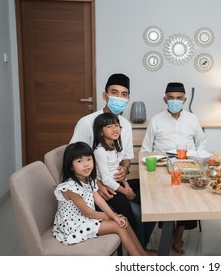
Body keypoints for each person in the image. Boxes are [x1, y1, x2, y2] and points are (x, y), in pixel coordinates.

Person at [70, 73, 154, 248]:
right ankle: (138, 251)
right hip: (93, 187)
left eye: (124, 94)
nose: (119, 98)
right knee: (137, 212)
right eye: (114, 92)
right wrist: (98, 185)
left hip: (116, 180)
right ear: (104, 95)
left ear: (128, 98)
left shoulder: (126, 125)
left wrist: (124, 168)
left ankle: (140, 245)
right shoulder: (87, 123)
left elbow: (126, 158)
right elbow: (73, 160)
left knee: (153, 200)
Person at [52, 142, 156, 256]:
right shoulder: (70, 187)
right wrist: (111, 217)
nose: (86, 164)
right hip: (74, 225)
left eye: (89, 159)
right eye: (79, 161)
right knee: (119, 225)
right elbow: (88, 212)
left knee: (123, 220)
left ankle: (142, 254)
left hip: (85, 218)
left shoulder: (89, 180)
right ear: (71, 166)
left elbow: (99, 200)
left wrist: (114, 216)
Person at [140, 82, 207, 254]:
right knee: (163, 194)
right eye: (171, 98)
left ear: (184, 100)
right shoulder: (156, 120)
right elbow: (146, 148)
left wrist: (197, 158)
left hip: (188, 163)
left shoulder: (192, 119)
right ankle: (168, 231)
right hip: (163, 164)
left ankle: (179, 232)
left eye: (178, 98)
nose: (175, 101)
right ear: (165, 99)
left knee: (190, 193)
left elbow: (202, 143)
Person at [92, 112, 155, 248]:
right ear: (100, 132)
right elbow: (107, 180)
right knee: (131, 217)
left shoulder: (114, 146)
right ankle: (139, 248)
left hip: (118, 183)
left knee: (146, 186)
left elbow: (118, 169)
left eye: (116, 126)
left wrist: (127, 185)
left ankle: (143, 241)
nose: (115, 129)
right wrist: (126, 192)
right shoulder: (100, 151)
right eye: (109, 127)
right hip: (109, 188)